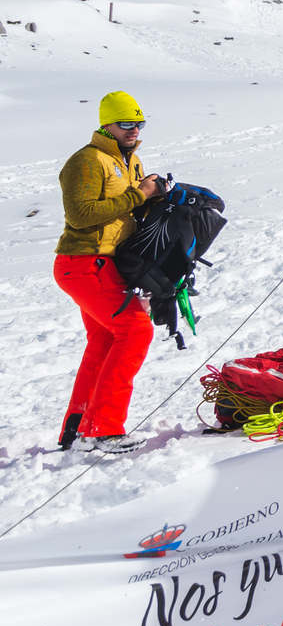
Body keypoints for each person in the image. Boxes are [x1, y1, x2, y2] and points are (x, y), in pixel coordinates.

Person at [54, 91, 165, 454]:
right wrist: (139, 195)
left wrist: (154, 195)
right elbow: (80, 215)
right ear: (106, 124)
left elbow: (128, 212)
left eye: (139, 123)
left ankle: (78, 427)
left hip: (107, 264)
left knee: (104, 341)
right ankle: (104, 429)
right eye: (126, 124)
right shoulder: (87, 161)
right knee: (134, 330)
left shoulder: (129, 160)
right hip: (84, 262)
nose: (134, 130)